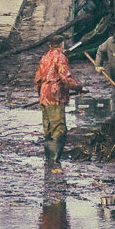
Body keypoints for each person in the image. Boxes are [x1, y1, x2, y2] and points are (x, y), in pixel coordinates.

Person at [34, 36, 83, 170]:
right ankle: (55, 161)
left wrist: (41, 93)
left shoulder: (45, 57)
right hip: (55, 96)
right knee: (59, 128)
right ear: (61, 44)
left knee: (48, 127)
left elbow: (37, 78)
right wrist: (79, 87)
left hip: (44, 96)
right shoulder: (60, 58)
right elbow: (65, 78)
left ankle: (49, 159)